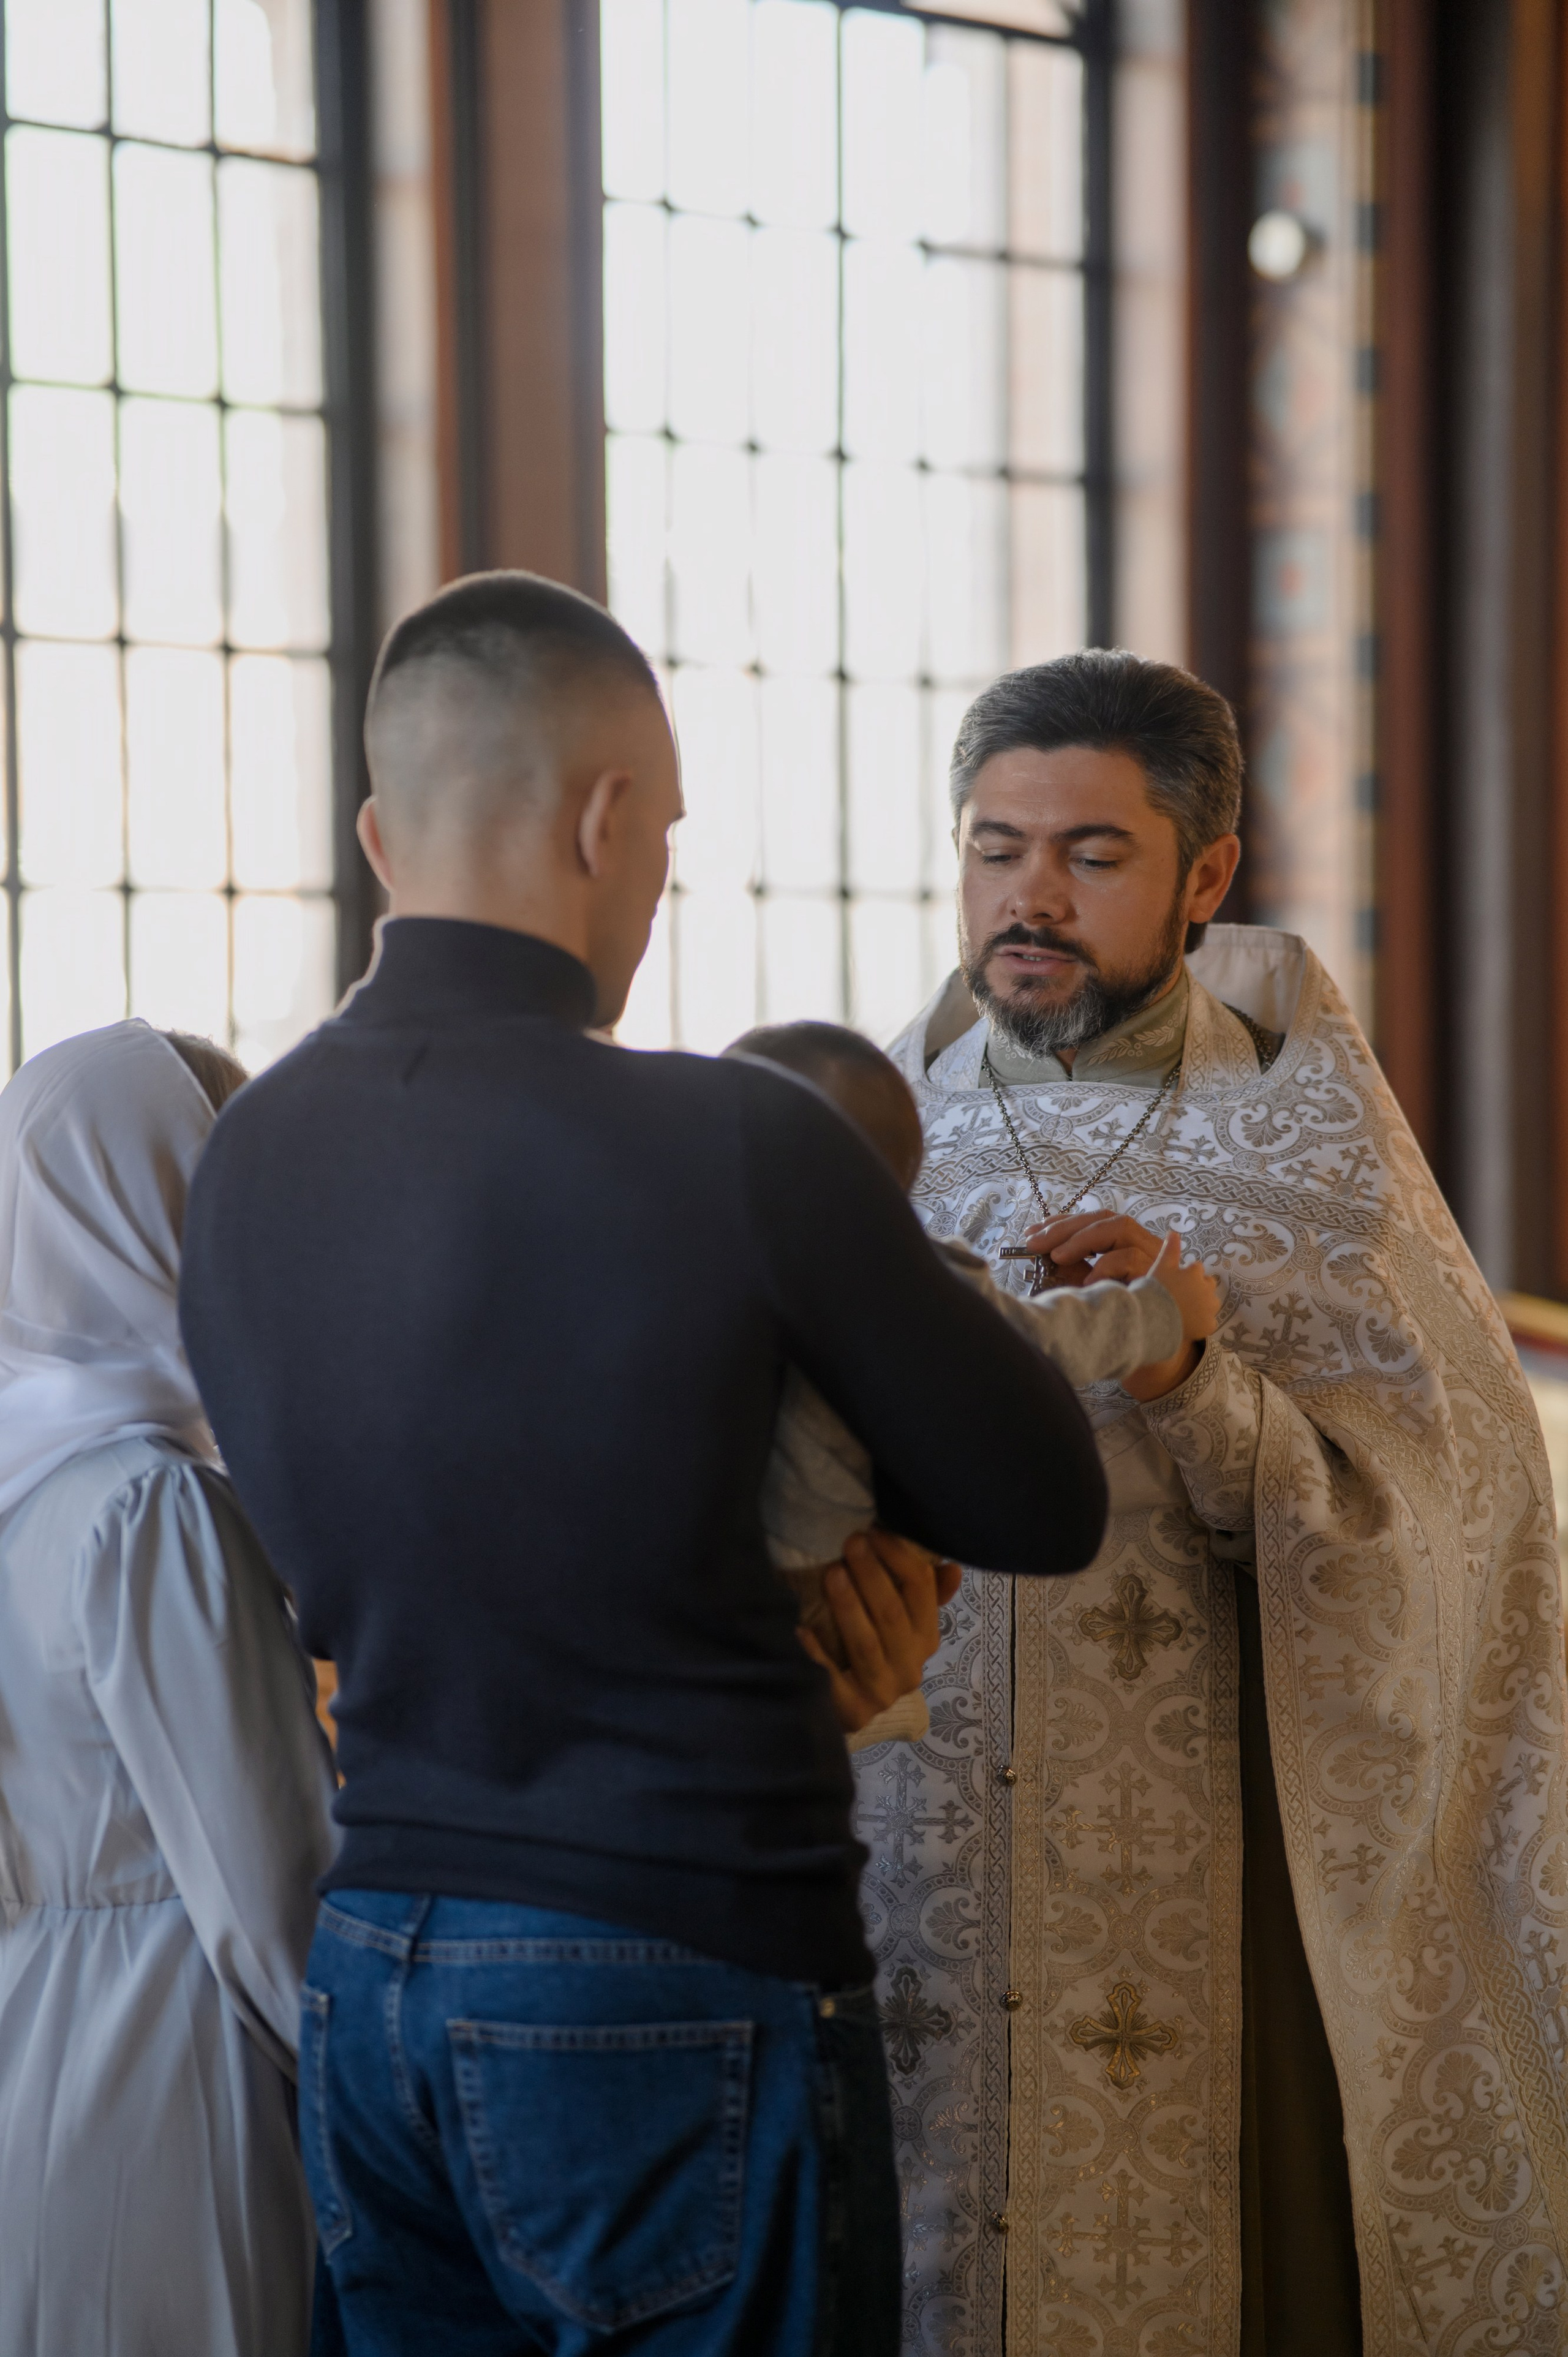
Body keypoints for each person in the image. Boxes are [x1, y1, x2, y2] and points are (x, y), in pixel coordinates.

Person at [177, 571, 1114, 2357]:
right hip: (670, 1941)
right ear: (608, 818)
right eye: (663, 827)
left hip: (372, 1965)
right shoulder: (737, 1136)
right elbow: (1037, 1494)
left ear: (385, 833)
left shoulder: (246, 1152)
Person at [864, 648, 1568, 2357]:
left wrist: (1191, 1379)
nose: (1027, 895)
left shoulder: (1305, 1155)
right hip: (912, 1865)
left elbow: (1442, 1539)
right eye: (993, 845)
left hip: (1202, 1877)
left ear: (1202, 876)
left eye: (1088, 855)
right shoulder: (877, 1134)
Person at [0, 1020, 339, 2357]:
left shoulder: (29, 1477)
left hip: (39, 2032)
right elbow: (272, 1891)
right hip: (174, 2060)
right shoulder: (148, 1503)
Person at [726, 1019, 1219, 1749]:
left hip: (728, 1556)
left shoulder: (706, 1268)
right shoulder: (906, 1277)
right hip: (830, 1562)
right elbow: (1034, 1343)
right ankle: (879, 1703)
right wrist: (1158, 1310)